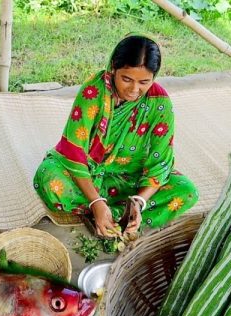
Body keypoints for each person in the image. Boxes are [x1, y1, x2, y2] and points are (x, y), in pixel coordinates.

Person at [33, 35, 198, 238]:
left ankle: (122, 215)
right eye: (126, 79)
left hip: (128, 176)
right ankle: (102, 209)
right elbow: (73, 152)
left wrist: (139, 201)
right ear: (113, 67)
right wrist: (95, 201)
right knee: (48, 179)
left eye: (144, 82)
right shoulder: (94, 92)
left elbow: (160, 162)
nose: (134, 89)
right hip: (87, 172)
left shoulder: (159, 102)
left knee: (186, 191)